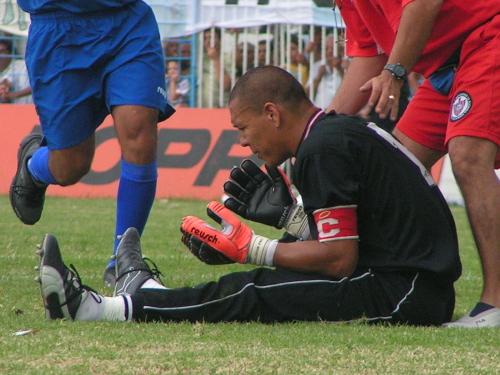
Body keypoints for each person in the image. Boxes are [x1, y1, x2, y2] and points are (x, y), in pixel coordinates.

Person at [37, 66, 462, 326]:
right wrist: (294, 224)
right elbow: (360, 234)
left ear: (272, 113)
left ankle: (104, 309)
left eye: (242, 128)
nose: (243, 142)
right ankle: (145, 294)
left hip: (405, 293)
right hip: (413, 282)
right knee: (261, 284)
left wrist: (251, 248)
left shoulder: (322, 148)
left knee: (254, 291)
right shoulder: (330, 134)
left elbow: (338, 259)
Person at [327, 0, 500, 327]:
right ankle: (385, 284)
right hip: (449, 67)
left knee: (469, 155)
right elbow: (369, 57)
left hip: (487, 37)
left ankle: (497, 302)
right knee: (393, 167)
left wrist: (394, 72)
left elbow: (425, 3)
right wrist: (314, 133)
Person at [10, 0, 175, 288]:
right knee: (70, 166)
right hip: (59, 29)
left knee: (139, 130)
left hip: (127, 21)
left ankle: (122, 262)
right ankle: (33, 166)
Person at [309, 35, 343, 110]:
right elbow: (308, 94)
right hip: (321, 111)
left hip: (340, 112)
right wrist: (318, 77)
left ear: (340, 50)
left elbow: (351, 88)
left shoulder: (346, 65)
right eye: (326, 48)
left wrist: (340, 69)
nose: (330, 51)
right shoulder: (317, 66)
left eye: (333, 48)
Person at [0, 38, 32, 104]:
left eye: (1, 52)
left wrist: (12, 95)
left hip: (36, 110)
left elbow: (39, 85)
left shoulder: (23, 65)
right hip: (17, 112)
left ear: (10, 53)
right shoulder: (4, 73)